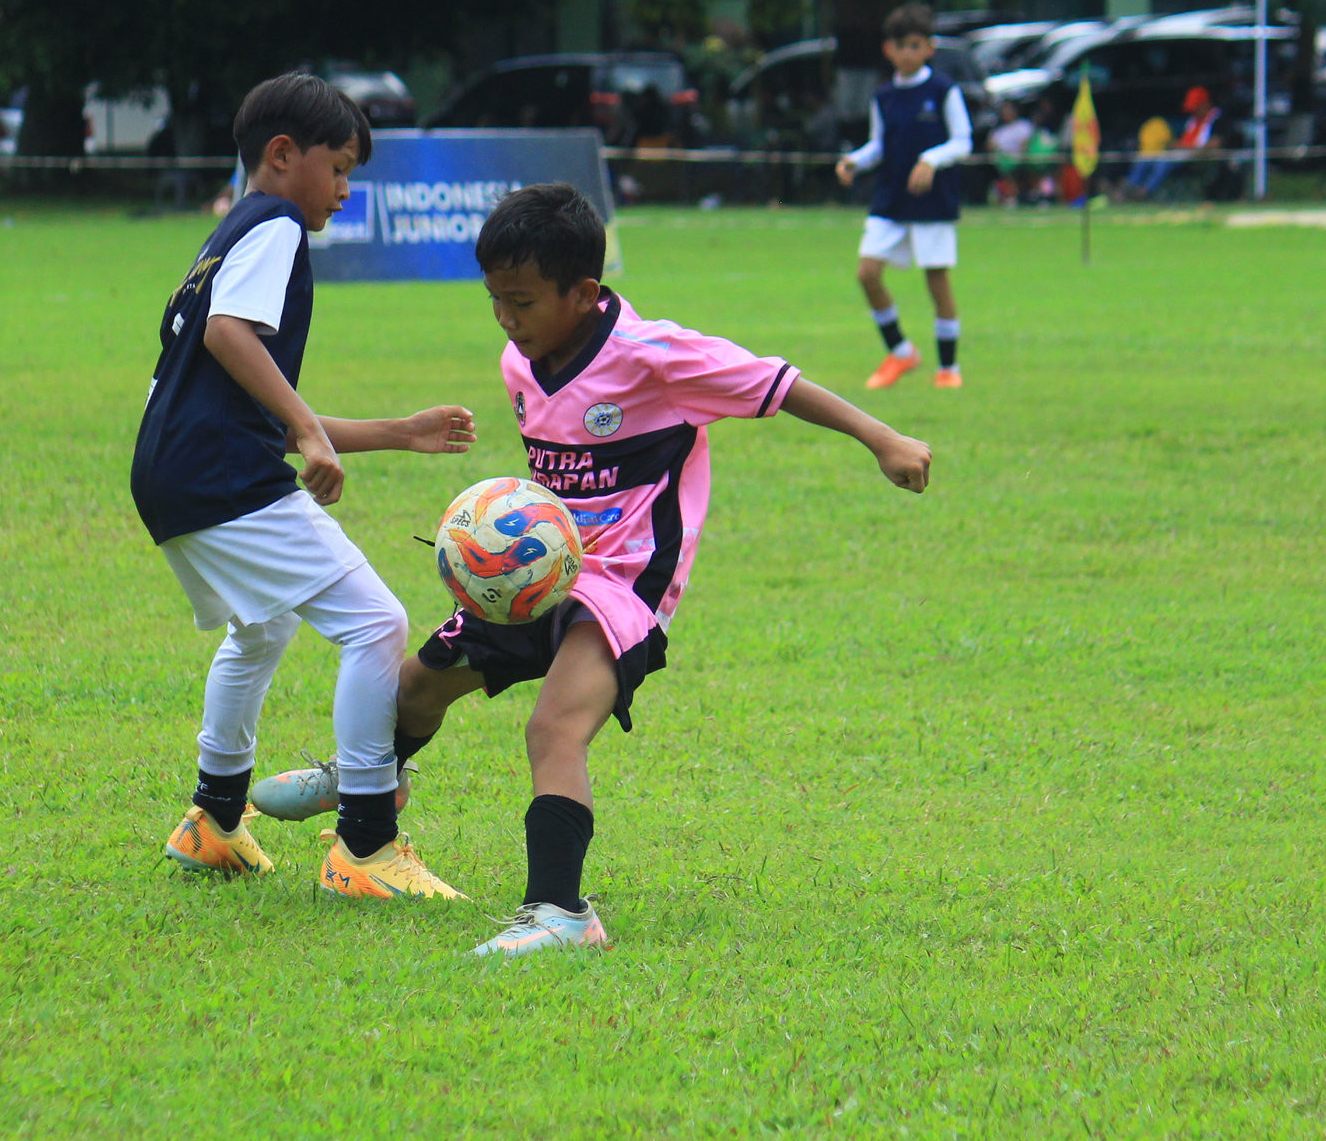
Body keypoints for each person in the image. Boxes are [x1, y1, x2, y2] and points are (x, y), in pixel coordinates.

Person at [252, 183, 930, 956]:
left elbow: (777, 383)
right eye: (494, 300)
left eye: (521, 300)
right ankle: (370, 772)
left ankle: (561, 912)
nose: (506, 318)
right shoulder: (522, 357)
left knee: (555, 726)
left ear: (582, 293)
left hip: (625, 584)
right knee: (413, 684)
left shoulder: (655, 355)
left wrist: (882, 438)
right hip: (545, 570)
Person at [131, 72, 476, 893]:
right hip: (219, 474)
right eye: (341, 168)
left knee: (263, 627)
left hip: (172, 470)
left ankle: (213, 820)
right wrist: (313, 433)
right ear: (283, 156)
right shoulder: (277, 222)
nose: (346, 192)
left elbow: (243, 395)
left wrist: (398, 432)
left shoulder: (230, 234)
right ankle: (365, 846)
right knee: (375, 622)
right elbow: (228, 336)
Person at [834, 2, 972, 390]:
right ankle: (901, 352)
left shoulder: (944, 90)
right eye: (901, 46)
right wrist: (854, 162)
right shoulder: (884, 97)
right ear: (888, 50)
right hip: (891, 199)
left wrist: (931, 160)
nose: (907, 53)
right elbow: (878, 145)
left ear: (929, 48)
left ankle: (948, 368)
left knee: (936, 281)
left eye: (915, 45)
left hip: (932, 201)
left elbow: (963, 141)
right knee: (867, 273)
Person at [989, 100, 1033, 205]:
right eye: (1004, 110)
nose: (1006, 112)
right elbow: (991, 146)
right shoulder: (998, 131)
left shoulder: (1023, 126)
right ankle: (1007, 196)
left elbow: (1026, 144)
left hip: (1020, 160)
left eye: (1008, 109)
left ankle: (1031, 195)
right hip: (1002, 161)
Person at [1123, 110, 1175, 198]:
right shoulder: (1145, 127)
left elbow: (1169, 143)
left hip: (1161, 156)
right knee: (1139, 164)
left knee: (1161, 165)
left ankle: (1144, 192)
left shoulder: (1161, 124)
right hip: (1146, 156)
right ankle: (1127, 190)